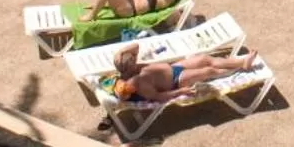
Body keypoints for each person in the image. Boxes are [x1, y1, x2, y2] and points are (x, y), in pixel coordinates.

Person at [101, 42, 259, 104]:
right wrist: (180, 91)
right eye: (132, 61)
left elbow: (135, 46)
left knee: (204, 58)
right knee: (208, 70)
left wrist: (122, 51)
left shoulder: (128, 65)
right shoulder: (135, 83)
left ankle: (242, 62)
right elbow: (158, 96)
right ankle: (239, 68)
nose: (136, 60)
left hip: (174, 67)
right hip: (176, 80)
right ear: (127, 67)